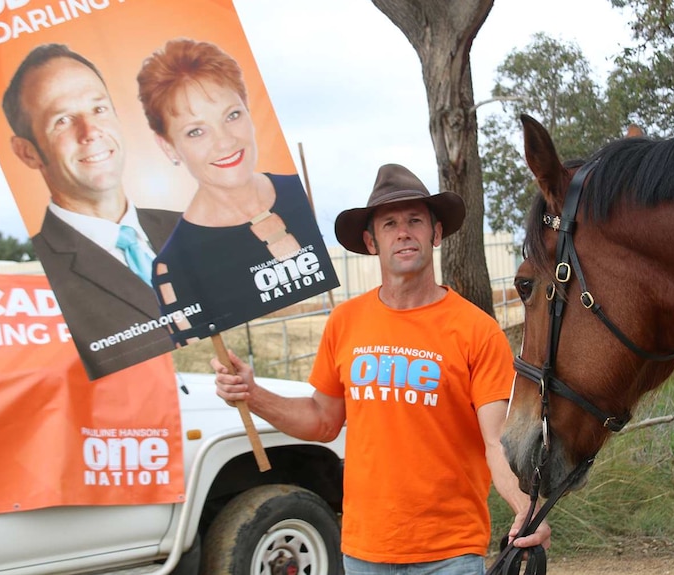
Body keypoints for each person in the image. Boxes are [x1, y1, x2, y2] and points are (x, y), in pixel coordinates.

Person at [213, 163, 550, 574]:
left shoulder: (476, 331)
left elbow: (496, 441)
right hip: (364, 551)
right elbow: (322, 420)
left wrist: (525, 508)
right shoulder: (345, 322)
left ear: (436, 234)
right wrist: (252, 394)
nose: (403, 232)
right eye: (390, 224)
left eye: (415, 221)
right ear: (372, 242)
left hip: (450, 553)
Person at [136, 38, 336, 347]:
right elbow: (198, 348)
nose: (225, 142)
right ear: (169, 146)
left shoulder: (301, 193)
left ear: (248, 109)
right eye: (196, 131)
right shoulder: (175, 267)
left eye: (232, 115)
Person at [1, 43, 180, 379]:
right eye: (63, 120)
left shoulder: (190, 227)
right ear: (27, 152)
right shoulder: (40, 283)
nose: (90, 132)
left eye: (99, 109)